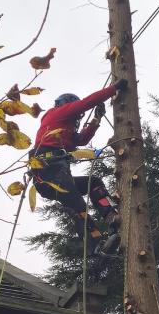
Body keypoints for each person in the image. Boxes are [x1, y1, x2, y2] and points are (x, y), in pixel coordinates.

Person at [24, 79, 128, 257]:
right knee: (76, 204)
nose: (76, 121)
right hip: (48, 170)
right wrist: (115, 88)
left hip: (56, 171)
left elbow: (80, 141)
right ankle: (96, 245)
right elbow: (87, 102)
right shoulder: (56, 114)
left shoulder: (62, 130)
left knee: (93, 183)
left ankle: (111, 215)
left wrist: (96, 120)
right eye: (76, 117)